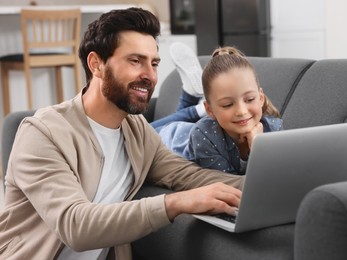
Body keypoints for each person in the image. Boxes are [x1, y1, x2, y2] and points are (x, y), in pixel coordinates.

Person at [0, 8, 243, 260]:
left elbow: (186, 175)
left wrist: (267, 185)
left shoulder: (137, 131)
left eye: (154, 63)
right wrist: (175, 203)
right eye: (135, 61)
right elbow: (76, 225)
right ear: (96, 64)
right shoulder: (43, 133)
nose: (149, 75)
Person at [151, 43, 283, 174]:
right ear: (210, 111)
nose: (242, 111)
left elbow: (281, 174)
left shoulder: (274, 129)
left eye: (249, 100)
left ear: (261, 98)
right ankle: (194, 105)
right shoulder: (203, 136)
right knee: (137, 131)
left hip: (193, 129)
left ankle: (189, 95)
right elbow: (232, 184)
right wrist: (257, 148)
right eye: (227, 105)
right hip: (168, 137)